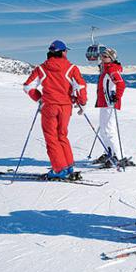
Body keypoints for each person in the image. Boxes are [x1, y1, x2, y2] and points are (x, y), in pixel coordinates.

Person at [22, 40, 87, 179]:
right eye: (66, 51)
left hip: (49, 107)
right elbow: (80, 86)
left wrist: (39, 98)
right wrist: (82, 102)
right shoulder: (71, 68)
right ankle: (68, 166)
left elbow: (28, 86)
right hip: (65, 107)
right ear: (62, 52)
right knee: (62, 135)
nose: (67, 53)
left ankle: (59, 169)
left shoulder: (42, 68)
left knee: (51, 138)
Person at [93, 47, 127, 168]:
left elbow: (121, 84)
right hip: (104, 103)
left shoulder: (112, 69)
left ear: (111, 58)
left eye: (106, 56)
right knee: (103, 129)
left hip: (110, 103)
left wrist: (116, 97)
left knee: (109, 130)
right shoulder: (105, 69)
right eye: (102, 55)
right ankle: (109, 152)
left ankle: (117, 156)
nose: (103, 58)